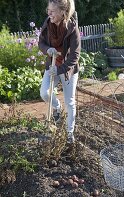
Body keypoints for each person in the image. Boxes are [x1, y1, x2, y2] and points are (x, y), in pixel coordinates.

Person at [38, 0, 81, 143]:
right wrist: (47, 49)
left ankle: (69, 134)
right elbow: (41, 42)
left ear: (63, 12)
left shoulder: (72, 28)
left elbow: (75, 55)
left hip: (68, 69)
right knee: (45, 93)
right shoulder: (48, 23)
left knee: (70, 102)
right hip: (52, 65)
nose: (49, 13)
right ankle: (57, 108)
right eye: (48, 10)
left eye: (52, 11)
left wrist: (60, 69)